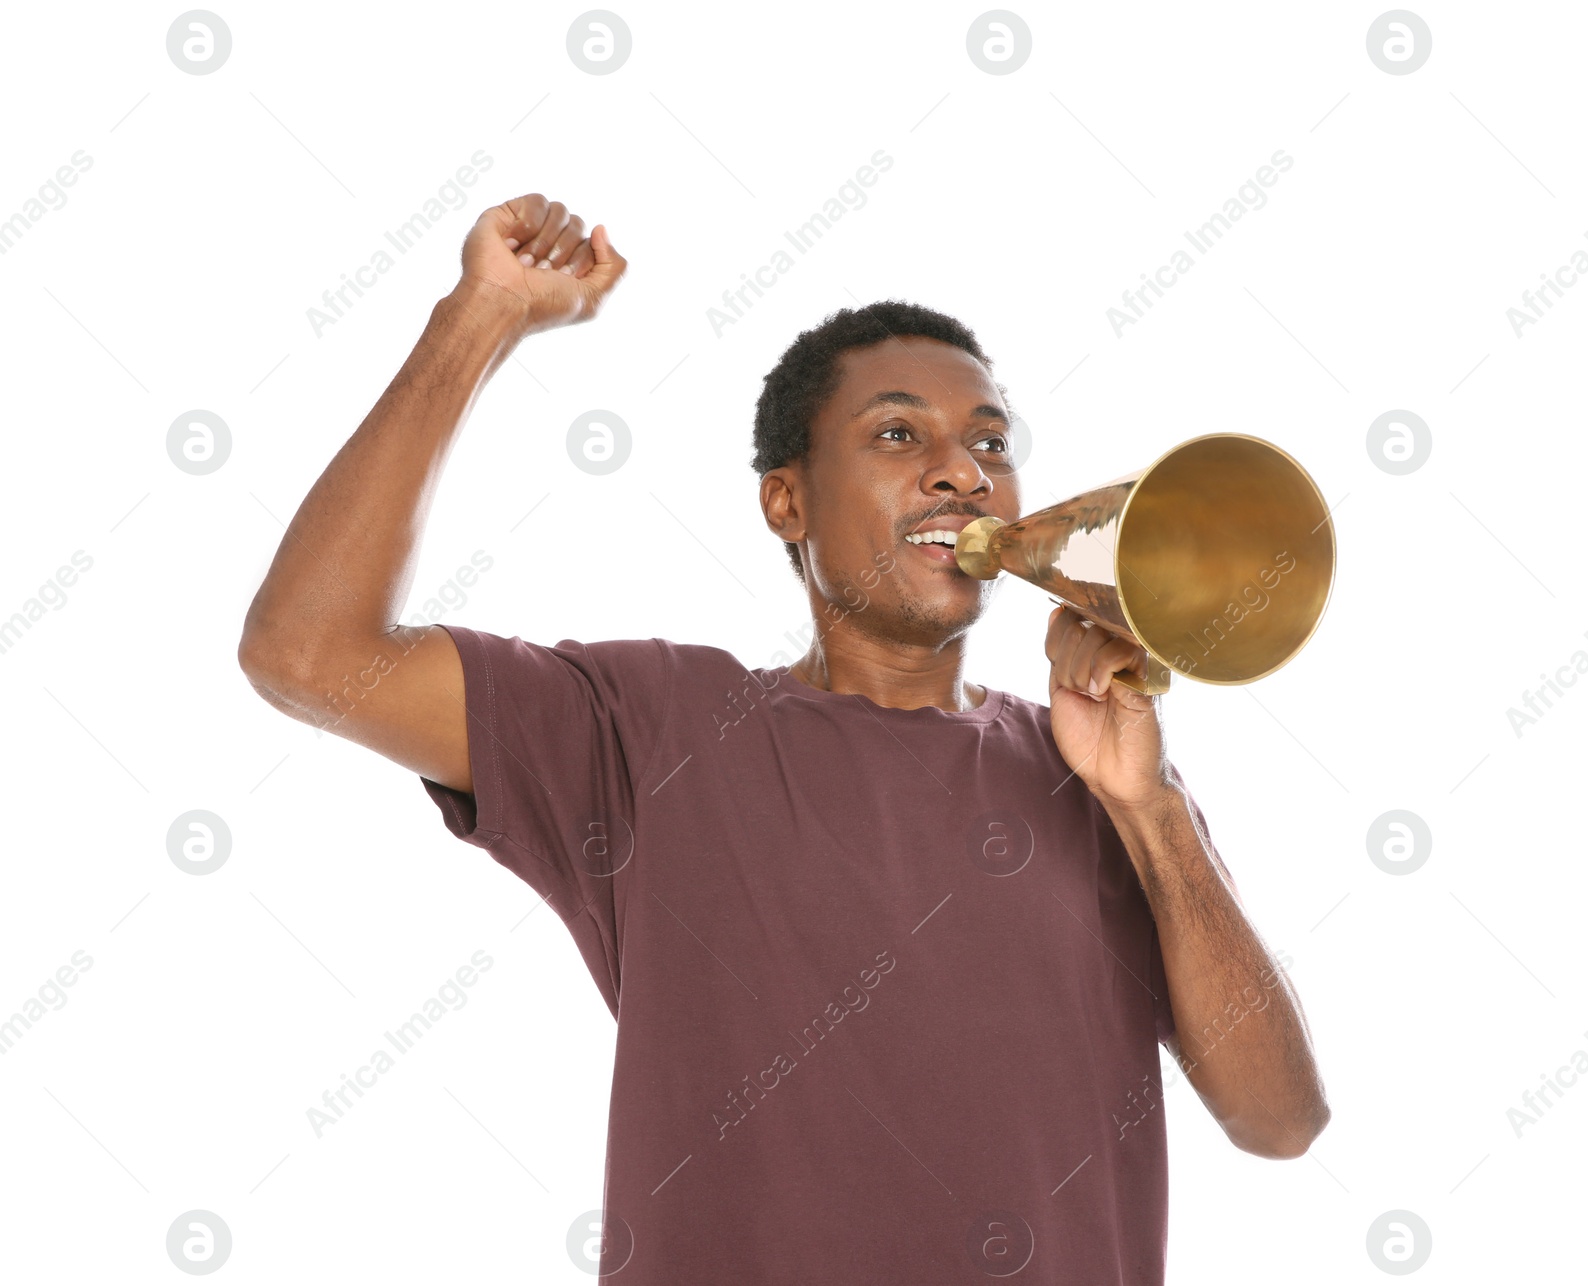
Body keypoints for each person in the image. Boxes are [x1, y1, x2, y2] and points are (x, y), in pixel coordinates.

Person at [238, 191, 1330, 1283]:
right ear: (786, 503)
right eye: (899, 434)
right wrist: (479, 317)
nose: (964, 470)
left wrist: (1149, 810)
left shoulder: (1101, 774)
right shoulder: (649, 725)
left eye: (989, 441)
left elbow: (1280, 1120)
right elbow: (307, 651)